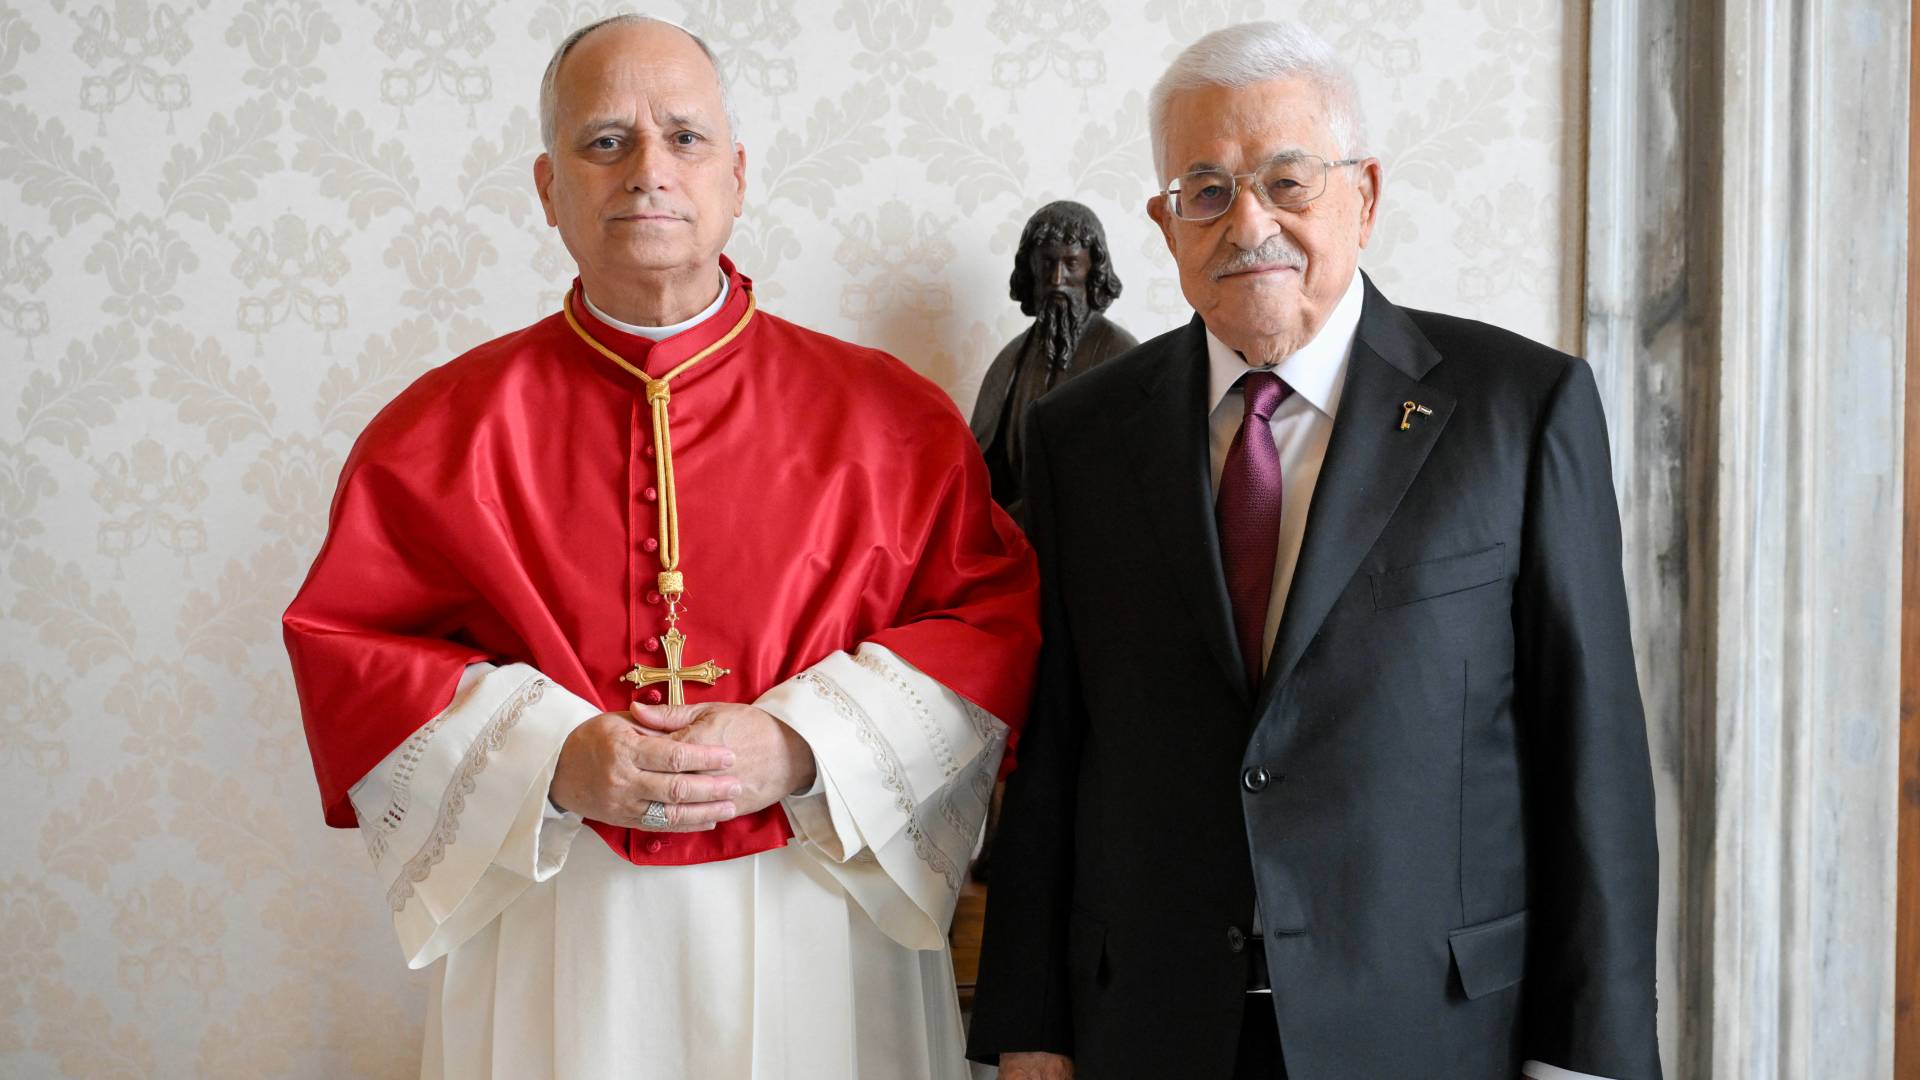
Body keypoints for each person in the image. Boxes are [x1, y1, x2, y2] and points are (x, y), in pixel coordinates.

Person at [283, 15, 1038, 1079]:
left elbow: (993, 626)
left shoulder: (890, 420)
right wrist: (550, 757)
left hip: (826, 903)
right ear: (549, 190)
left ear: (736, 173)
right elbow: (350, 652)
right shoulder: (438, 435)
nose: (648, 170)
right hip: (559, 922)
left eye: (684, 138)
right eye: (605, 142)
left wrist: (802, 745)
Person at [968, 21, 1660, 1080]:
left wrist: (1592, 1058)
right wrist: (1029, 1027)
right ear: (1165, 224)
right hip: (1150, 1025)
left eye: (1288, 181)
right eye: (1206, 190)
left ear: (1364, 194)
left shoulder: (1523, 410)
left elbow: (1592, 758)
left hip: (1433, 1028)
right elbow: (1055, 748)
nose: (1249, 223)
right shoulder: (1081, 436)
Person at [970, 200, 1137, 526]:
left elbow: (1132, 470)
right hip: (1017, 537)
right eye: (1047, 265)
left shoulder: (1121, 355)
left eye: (1071, 264)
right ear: (1032, 270)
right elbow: (982, 467)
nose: (1058, 279)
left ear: (1094, 269)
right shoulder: (1011, 360)